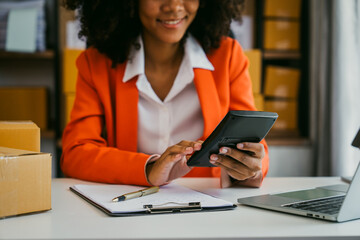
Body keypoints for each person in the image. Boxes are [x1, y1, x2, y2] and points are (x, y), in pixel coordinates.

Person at [61, 0, 269, 188]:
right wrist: (149, 168)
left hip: (209, 208)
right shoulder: (95, 64)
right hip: (131, 209)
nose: (174, 6)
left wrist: (247, 168)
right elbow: (76, 153)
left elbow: (252, 142)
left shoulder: (228, 56)